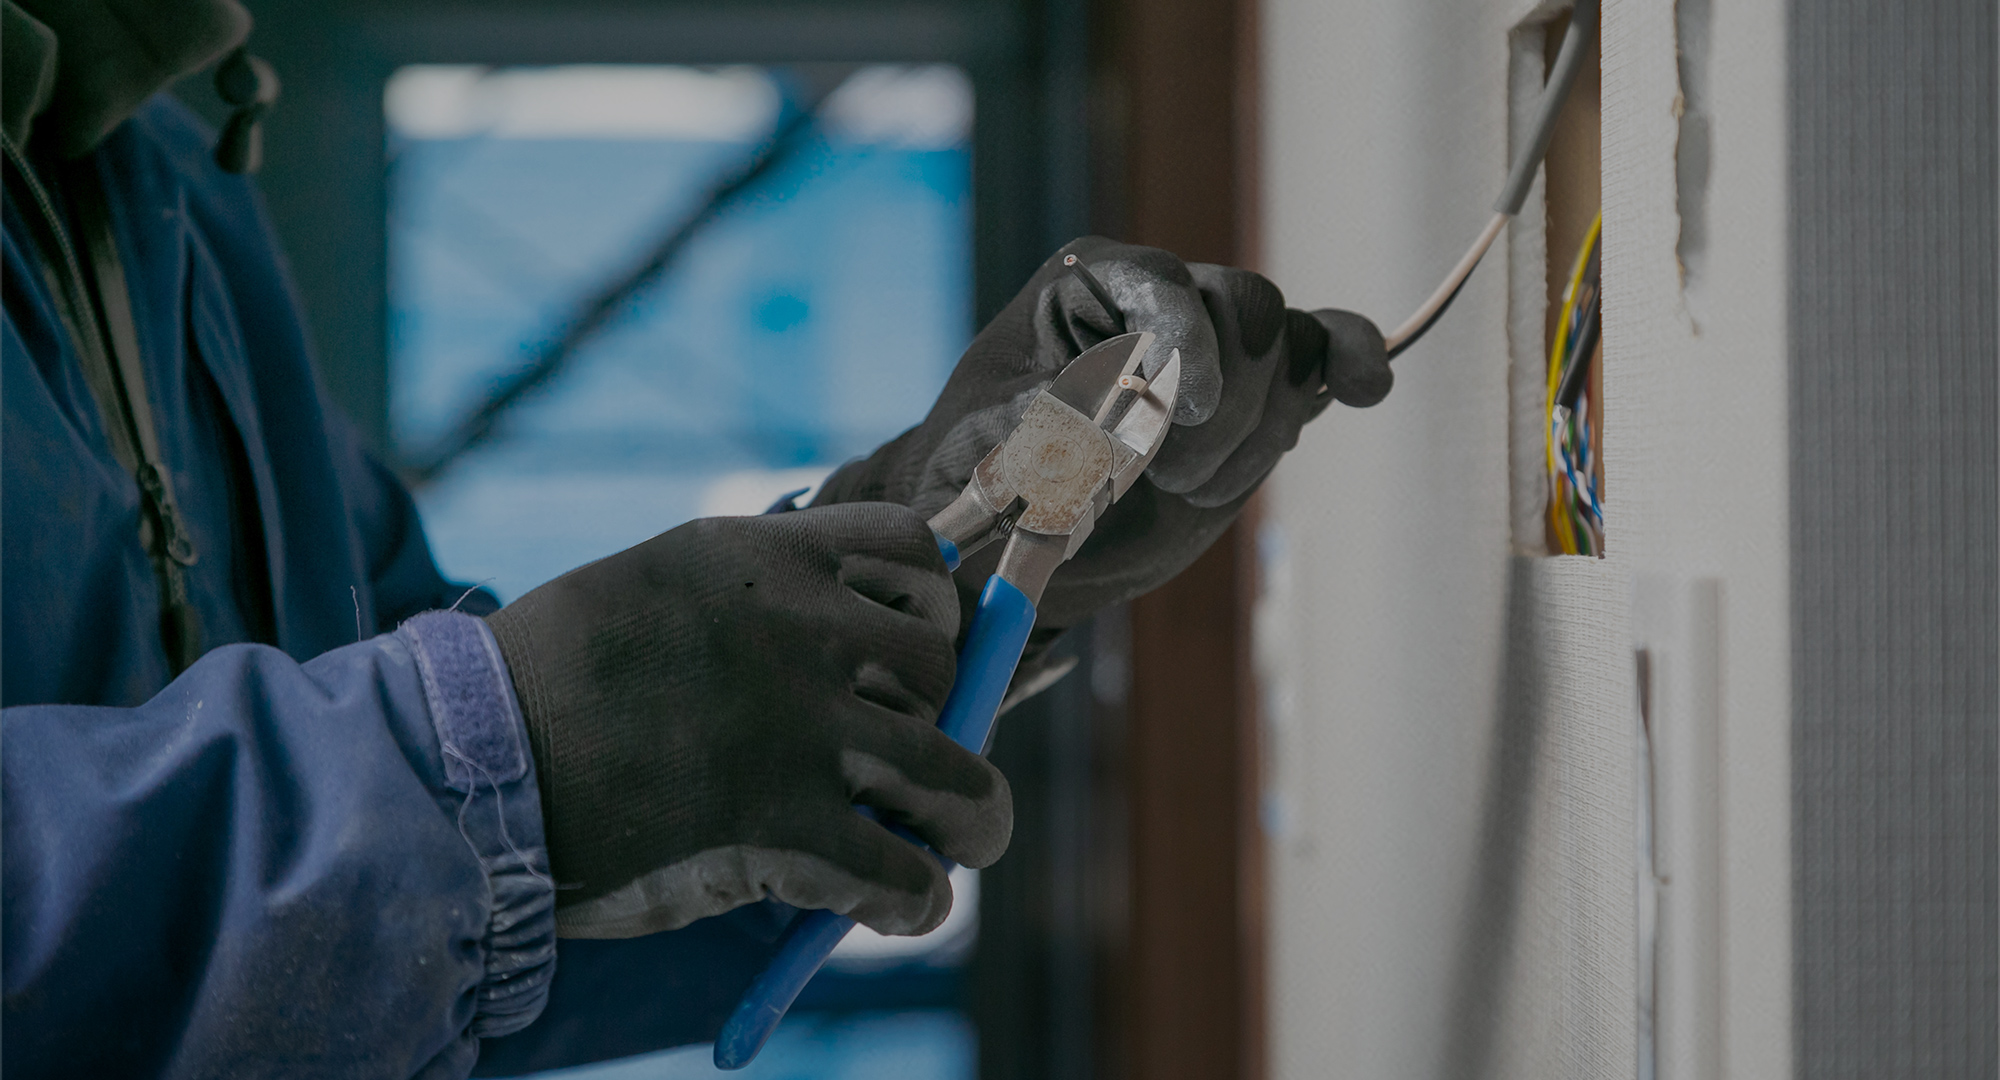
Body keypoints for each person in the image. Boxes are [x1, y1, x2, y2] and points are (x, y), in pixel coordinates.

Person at [0, 1, 1392, 1077]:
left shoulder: (161, 172)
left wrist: (935, 556)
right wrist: (500, 759)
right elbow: (463, 778)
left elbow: (448, 921)